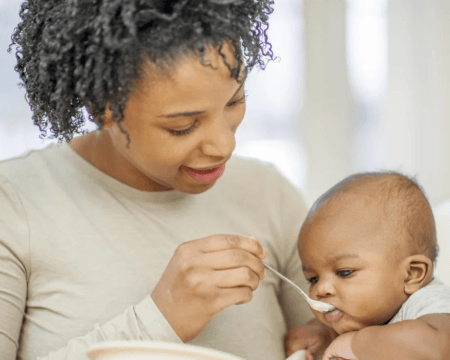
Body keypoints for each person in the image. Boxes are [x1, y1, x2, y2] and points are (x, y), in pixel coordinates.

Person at [1, 1, 336, 359]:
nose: (225, 145)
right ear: (102, 107)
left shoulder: (269, 193)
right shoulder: (15, 204)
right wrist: (160, 318)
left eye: (235, 102)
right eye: (183, 126)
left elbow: (337, 327)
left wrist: (329, 338)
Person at [287, 171, 450, 360]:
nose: (320, 289)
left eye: (344, 272)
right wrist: (320, 335)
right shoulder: (360, 316)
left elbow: (433, 348)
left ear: (411, 274)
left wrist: (354, 343)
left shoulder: (430, 305)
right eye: (313, 278)